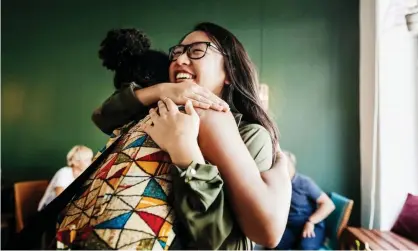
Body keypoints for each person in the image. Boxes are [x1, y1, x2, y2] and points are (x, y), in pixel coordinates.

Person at [56, 23, 291, 250]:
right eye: (176, 53)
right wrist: (162, 90)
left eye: (197, 51)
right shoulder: (156, 114)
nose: (179, 59)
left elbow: (232, 245)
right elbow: (103, 116)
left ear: (230, 72)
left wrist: (184, 151)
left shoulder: (248, 134)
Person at [275, 151, 336, 250]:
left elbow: (328, 205)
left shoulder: (305, 183)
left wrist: (310, 222)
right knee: (274, 244)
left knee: (305, 248)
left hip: (310, 224)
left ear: (291, 165)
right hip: (290, 228)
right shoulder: (278, 184)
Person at [38, 145, 93, 211]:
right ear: (75, 162)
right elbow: (61, 199)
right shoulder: (64, 172)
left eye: (90, 159)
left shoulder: (84, 175)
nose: (91, 162)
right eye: (87, 160)